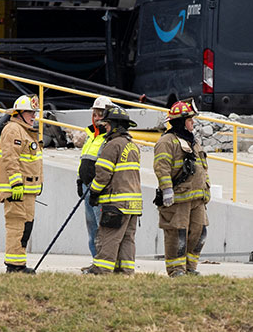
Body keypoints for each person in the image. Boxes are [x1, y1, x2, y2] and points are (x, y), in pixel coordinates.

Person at [153, 100, 211, 277]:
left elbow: (203, 167)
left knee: (200, 232)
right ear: (180, 121)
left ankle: (190, 267)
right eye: (190, 120)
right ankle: (176, 270)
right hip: (178, 199)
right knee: (176, 234)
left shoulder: (193, 142)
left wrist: (206, 190)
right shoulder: (166, 141)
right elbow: (161, 166)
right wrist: (167, 189)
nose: (193, 123)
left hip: (197, 198)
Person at [84, 106, 142, 275]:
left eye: (108, 125)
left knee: (109, 237)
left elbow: (103, 174)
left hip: (116, 202)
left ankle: (102, 270)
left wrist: (94, 192)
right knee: (127, 239)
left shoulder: (112, 145)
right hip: (133, 204)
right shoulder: (132, 146)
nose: (106, 127)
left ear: (116, 125)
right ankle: (125, 272)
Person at [0, 94, 43, 273]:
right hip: (18, 191)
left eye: (35, 112)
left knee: (25, 227)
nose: (34, 116)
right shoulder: (13, 130)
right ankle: (14, 266)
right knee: (17, 226)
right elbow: (10, 158)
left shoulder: (25, 131)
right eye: (30, 112)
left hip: (28, 192)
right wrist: (16, 184)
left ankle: (19, 263)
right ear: (19, 113)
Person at [77, 96, 115, 259]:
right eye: (95, 114)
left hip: (100, 190)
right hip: (87, 188)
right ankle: (96, 260)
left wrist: (97, 187)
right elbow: (84, 159)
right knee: (92, 227)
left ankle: (104, 262)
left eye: (101, 114)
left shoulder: (110, 137)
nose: (97, 118)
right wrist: (80, 180)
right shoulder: (91, 135)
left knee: (103, 227)